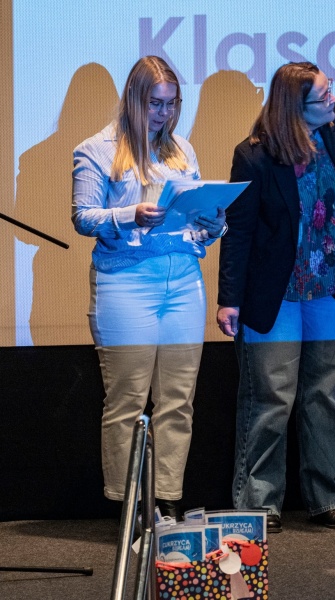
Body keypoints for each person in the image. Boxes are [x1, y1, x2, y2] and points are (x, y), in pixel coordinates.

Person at [216, 62, 335, 533]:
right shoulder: (254, 155)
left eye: (330, 92)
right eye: (323, 96)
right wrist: (229, 299)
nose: (333, 100)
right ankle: (259, 503)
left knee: (325, 395)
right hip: (276, 295)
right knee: (270, 399)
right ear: (295, 107)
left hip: (330, 288)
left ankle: (328, 497)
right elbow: (238, 231)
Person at [72, 56, 226, 519]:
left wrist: (213, 223)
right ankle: (130, 508)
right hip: (126, 283)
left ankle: (167, 500)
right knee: (127, 400)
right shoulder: (96, 149)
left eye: (172, 103)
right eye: (155, 103)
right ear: (134, 99)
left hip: (183, 281)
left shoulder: (182, 150)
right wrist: (130, 214)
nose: (164, 113)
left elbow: (196, 223)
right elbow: (83, 216)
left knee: (177, 401)